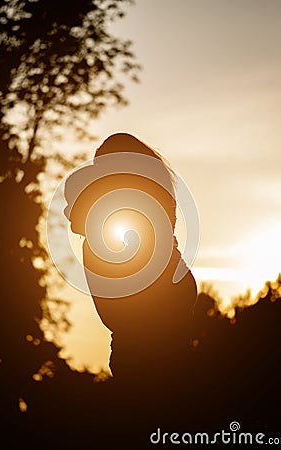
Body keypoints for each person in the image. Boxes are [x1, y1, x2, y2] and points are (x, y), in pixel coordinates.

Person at [64, 133, 197, 384]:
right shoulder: (105, 241)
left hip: (172, 363)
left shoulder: (154, 233)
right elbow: (117, 317)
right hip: (144, 366)